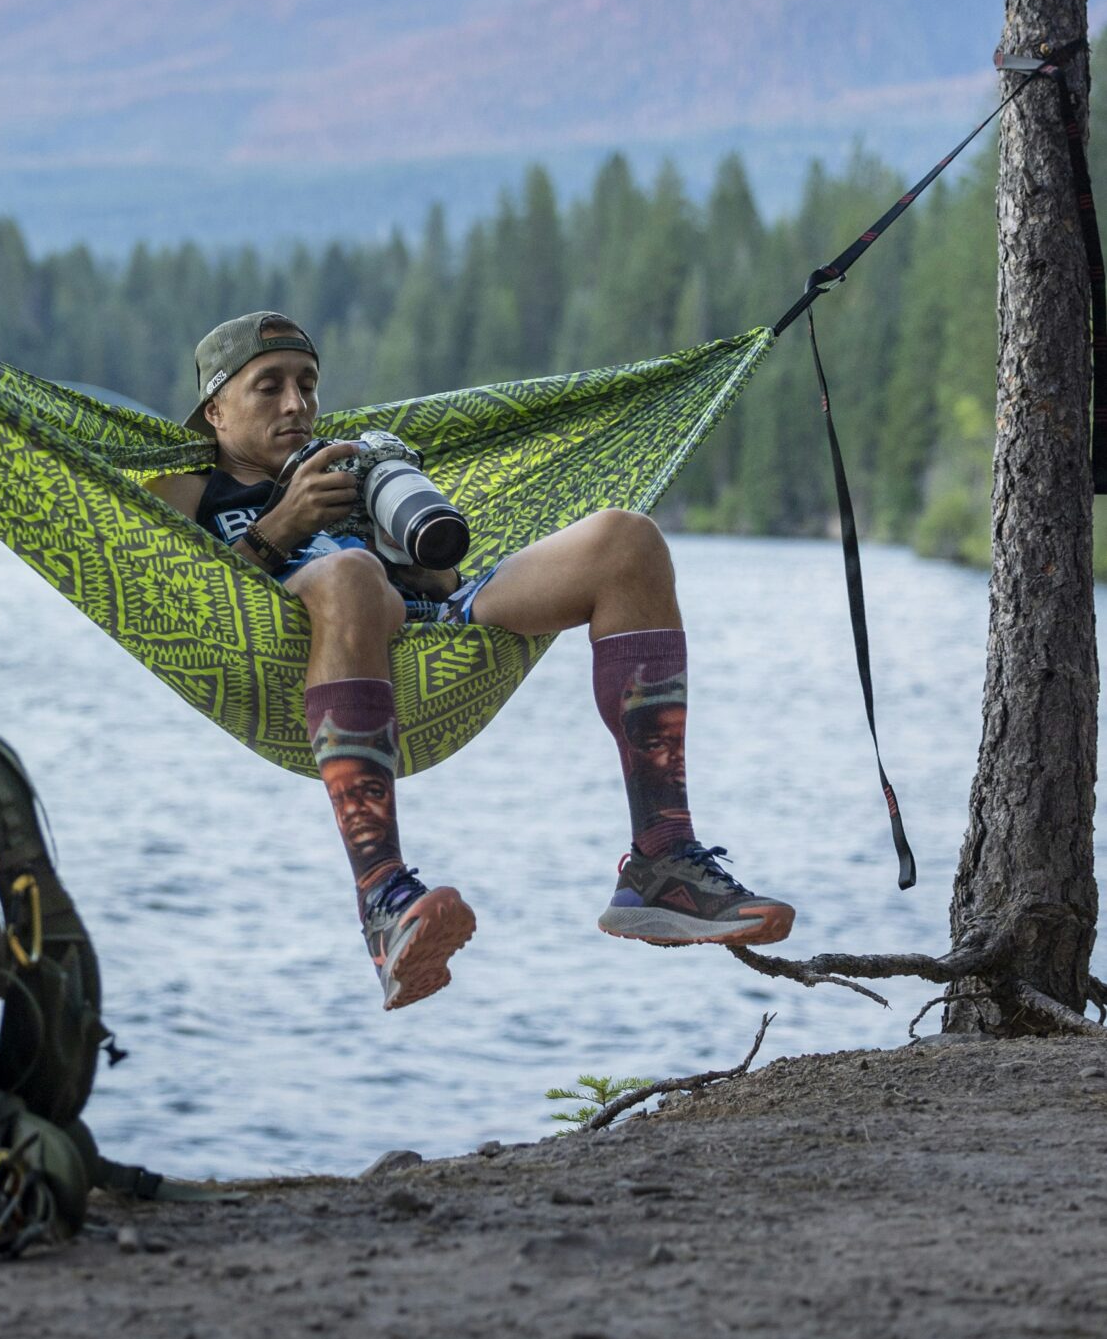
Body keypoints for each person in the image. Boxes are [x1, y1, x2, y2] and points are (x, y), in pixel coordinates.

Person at [149, 310, 795, 1011]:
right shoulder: (183, 491)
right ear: (214, 410)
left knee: (626, 542)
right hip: (313, 640)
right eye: (267, 387)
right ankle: (383, 900)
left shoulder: (344, 464)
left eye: (306, 384)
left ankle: (661, 860)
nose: (296, 405)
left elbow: (438, 580)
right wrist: (284, 526)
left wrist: (416, 555)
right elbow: (193, 605)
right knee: (350, 577)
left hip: (431, 629)